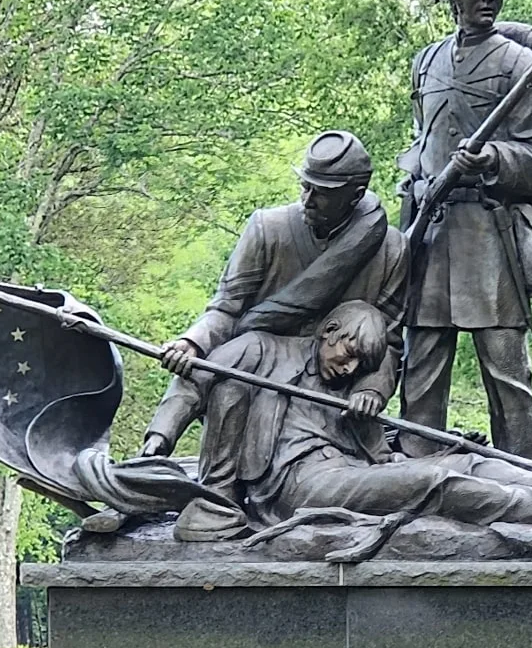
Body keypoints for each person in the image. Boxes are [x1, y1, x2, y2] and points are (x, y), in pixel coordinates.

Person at [175, 301, 532, 541]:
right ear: (329, 332)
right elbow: (198, 382)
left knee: (466, 463)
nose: (350, 368)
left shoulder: (352, 390)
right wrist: (158, 440)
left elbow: (382, 456)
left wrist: (372, 419)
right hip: (297, 485)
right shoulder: (261, 350)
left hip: (354, 471)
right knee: (434, 481)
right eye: (349, 354)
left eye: (363, 364)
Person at [144, 129, 408, 457]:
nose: (308, 199)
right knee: (224, 367)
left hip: (330, 398)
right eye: (305, 186)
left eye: (322, 192)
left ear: (355, 195)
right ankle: (156, 447)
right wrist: (191, 343)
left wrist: (370, 390)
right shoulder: (267, 230)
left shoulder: (392, 249)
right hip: (259, 371)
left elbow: (390, 344)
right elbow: (227, 310)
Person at [397, 0, 532, 461]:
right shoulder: (424, 63)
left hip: (490, 236)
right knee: (421, 366)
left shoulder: (520, 65)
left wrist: (494, 158)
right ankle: (416, 473)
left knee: (507, 374)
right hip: (429, 231)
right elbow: (421, 141)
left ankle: (530, 482)